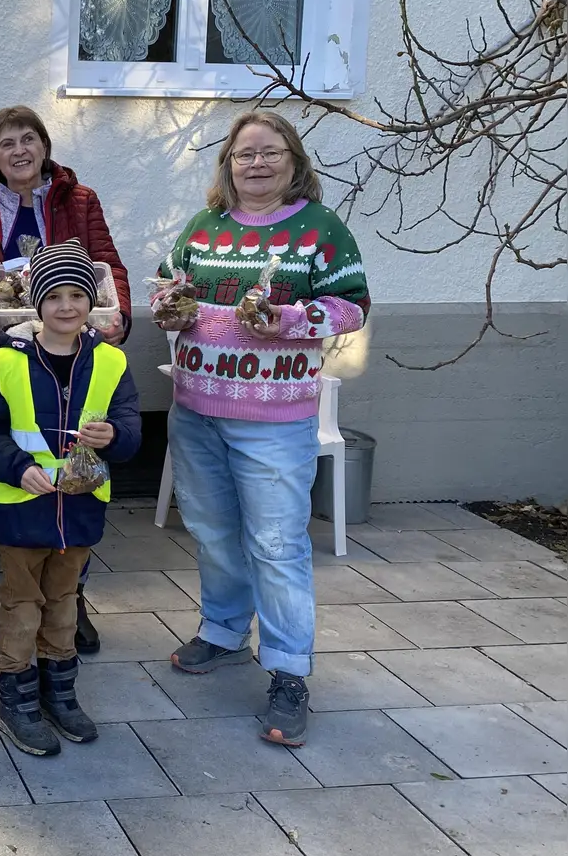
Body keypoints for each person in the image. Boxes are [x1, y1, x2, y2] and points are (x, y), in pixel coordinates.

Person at [158, 111, 370, 748]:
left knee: (277, 544)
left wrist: (291, 317)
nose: (255, 164)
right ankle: (223, 632)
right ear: (227, 163)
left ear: (293, 160)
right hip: (196, 407)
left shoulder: (319, 230)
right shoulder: (204, 227)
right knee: (212, 528)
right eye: (244, 154)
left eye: (269, 152)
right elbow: (175, 287)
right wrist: (169, 302)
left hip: (274, 420)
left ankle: (288, 671)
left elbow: (352, 306)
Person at [0, 104, 135, 652]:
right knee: (16, 468)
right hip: (9, 357)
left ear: (45, 147)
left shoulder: (80, 200)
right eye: (7, 143)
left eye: (29, 139)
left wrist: (117, 313)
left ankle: (71, 602)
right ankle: (18, 596)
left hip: (74, 354)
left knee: (77, 470)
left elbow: (107, 267)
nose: (19, 151)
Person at [0, 242, 142, 757]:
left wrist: (116, 436)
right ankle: (16, 701)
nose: (67, 306)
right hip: (23, 511)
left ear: (91, 302)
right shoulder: (7, 360)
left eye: (77, 295)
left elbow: (131, 422)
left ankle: (59, 694)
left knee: (64, 606)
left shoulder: (110, 361)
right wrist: (19, 469)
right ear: (36, 304)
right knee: (21, 608)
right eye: (55, 296)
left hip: (81, 512)